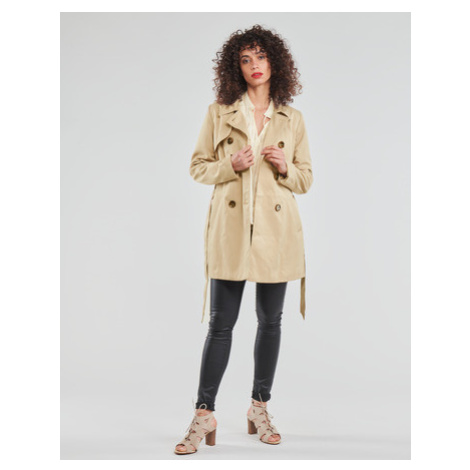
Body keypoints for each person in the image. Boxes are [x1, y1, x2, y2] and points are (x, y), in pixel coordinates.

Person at [174, 24, 313, 455]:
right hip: (230, 232)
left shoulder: (292, 119)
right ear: (235, 67)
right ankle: (204, 414)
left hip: (276, 234)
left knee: (271, 322)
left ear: (275, 63)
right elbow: (197, 166)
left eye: (261, 57)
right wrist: (229, 164)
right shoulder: (219, 113)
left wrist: (286, 167)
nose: (254, 65)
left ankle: (259, 407)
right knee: (221, 324)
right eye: (245, 59)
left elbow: (306, 179)